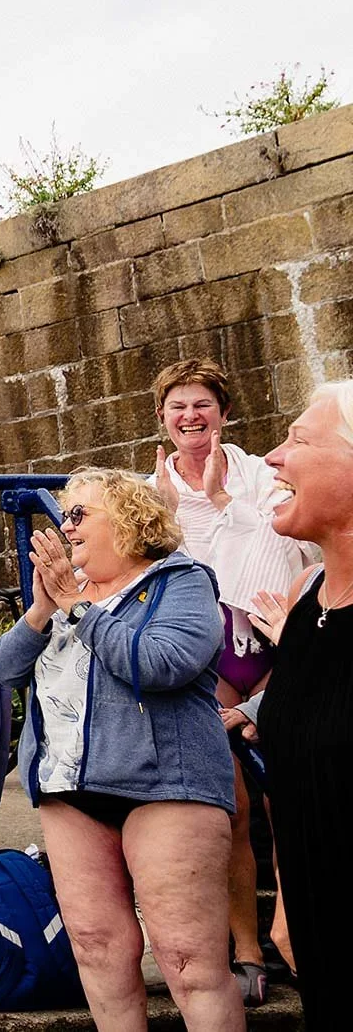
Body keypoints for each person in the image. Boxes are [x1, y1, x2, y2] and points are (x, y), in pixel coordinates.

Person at [0, 468, 241, 1030]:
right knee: (96, 949)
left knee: (187, 961)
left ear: (128, 523)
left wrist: (78, 607)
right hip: (69, 789)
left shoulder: (183, 581)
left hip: (166, 786)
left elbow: (163, 664)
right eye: (64, 515)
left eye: (79, 514)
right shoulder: (63, 594)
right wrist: (41, 609)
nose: (65, 526)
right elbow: (1, 671)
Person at [149, 358, 316, 1004]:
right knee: (233, 809)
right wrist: (170, 519)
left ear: (223, 411)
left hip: (270, 640)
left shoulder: (256, 472)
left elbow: (282, 543)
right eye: (177, 407)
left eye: (201, 404)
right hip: (206, 657)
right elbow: (157, 572)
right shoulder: (155, 485)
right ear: (161, 418)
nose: (190, 416)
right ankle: (245, 946)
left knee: (290, 800)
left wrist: (221, 500)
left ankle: (297, 930)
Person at [254, 380, 353, 1029]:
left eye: (299, 439)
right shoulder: (304, 597)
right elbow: (293, 777)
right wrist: (287, 900)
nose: (272, 456)